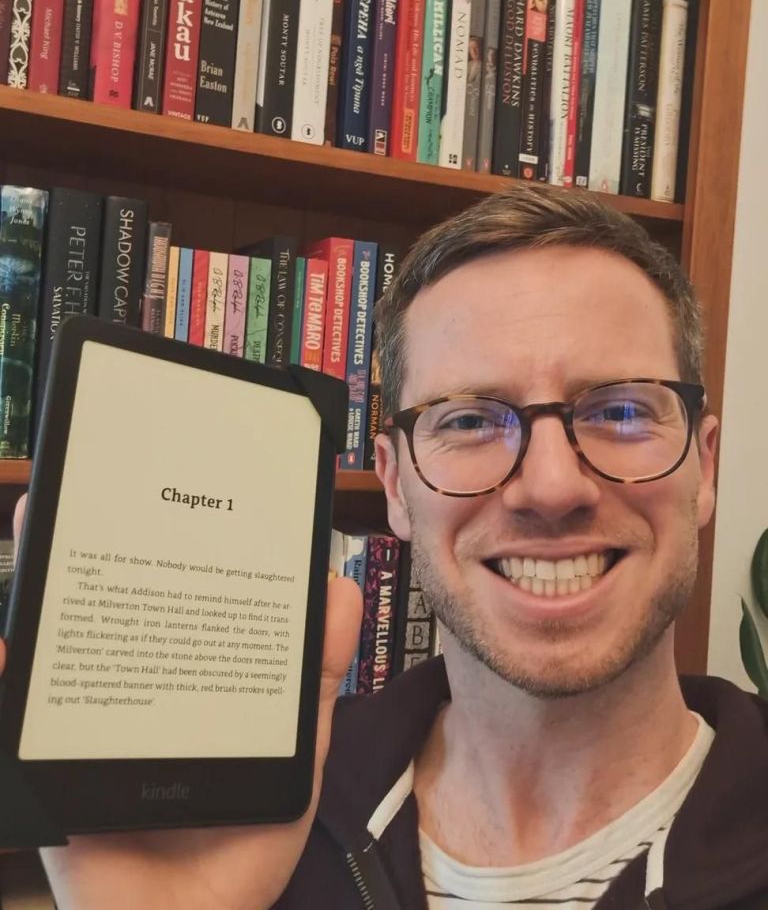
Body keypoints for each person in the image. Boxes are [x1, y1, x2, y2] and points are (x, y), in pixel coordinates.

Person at [4, 183, 768, 909]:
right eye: (469, 421)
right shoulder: (255, 827)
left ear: (704, 468)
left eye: (621, 411)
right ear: (395, 484)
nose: (550, 486)